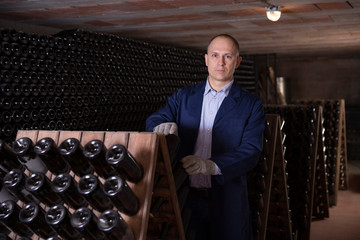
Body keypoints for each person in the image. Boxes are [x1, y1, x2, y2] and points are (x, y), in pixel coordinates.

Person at [146, 34, 265, 240]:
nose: (220, 62)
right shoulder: (184, 96)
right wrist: (161, 125)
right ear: (206, 59)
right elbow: (157, 117)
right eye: (215, 55)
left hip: (228, 198)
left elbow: (251, 151)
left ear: (237, 62)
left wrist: (212, 166)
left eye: (228, 56)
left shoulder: (251, 104)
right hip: (185, 198)